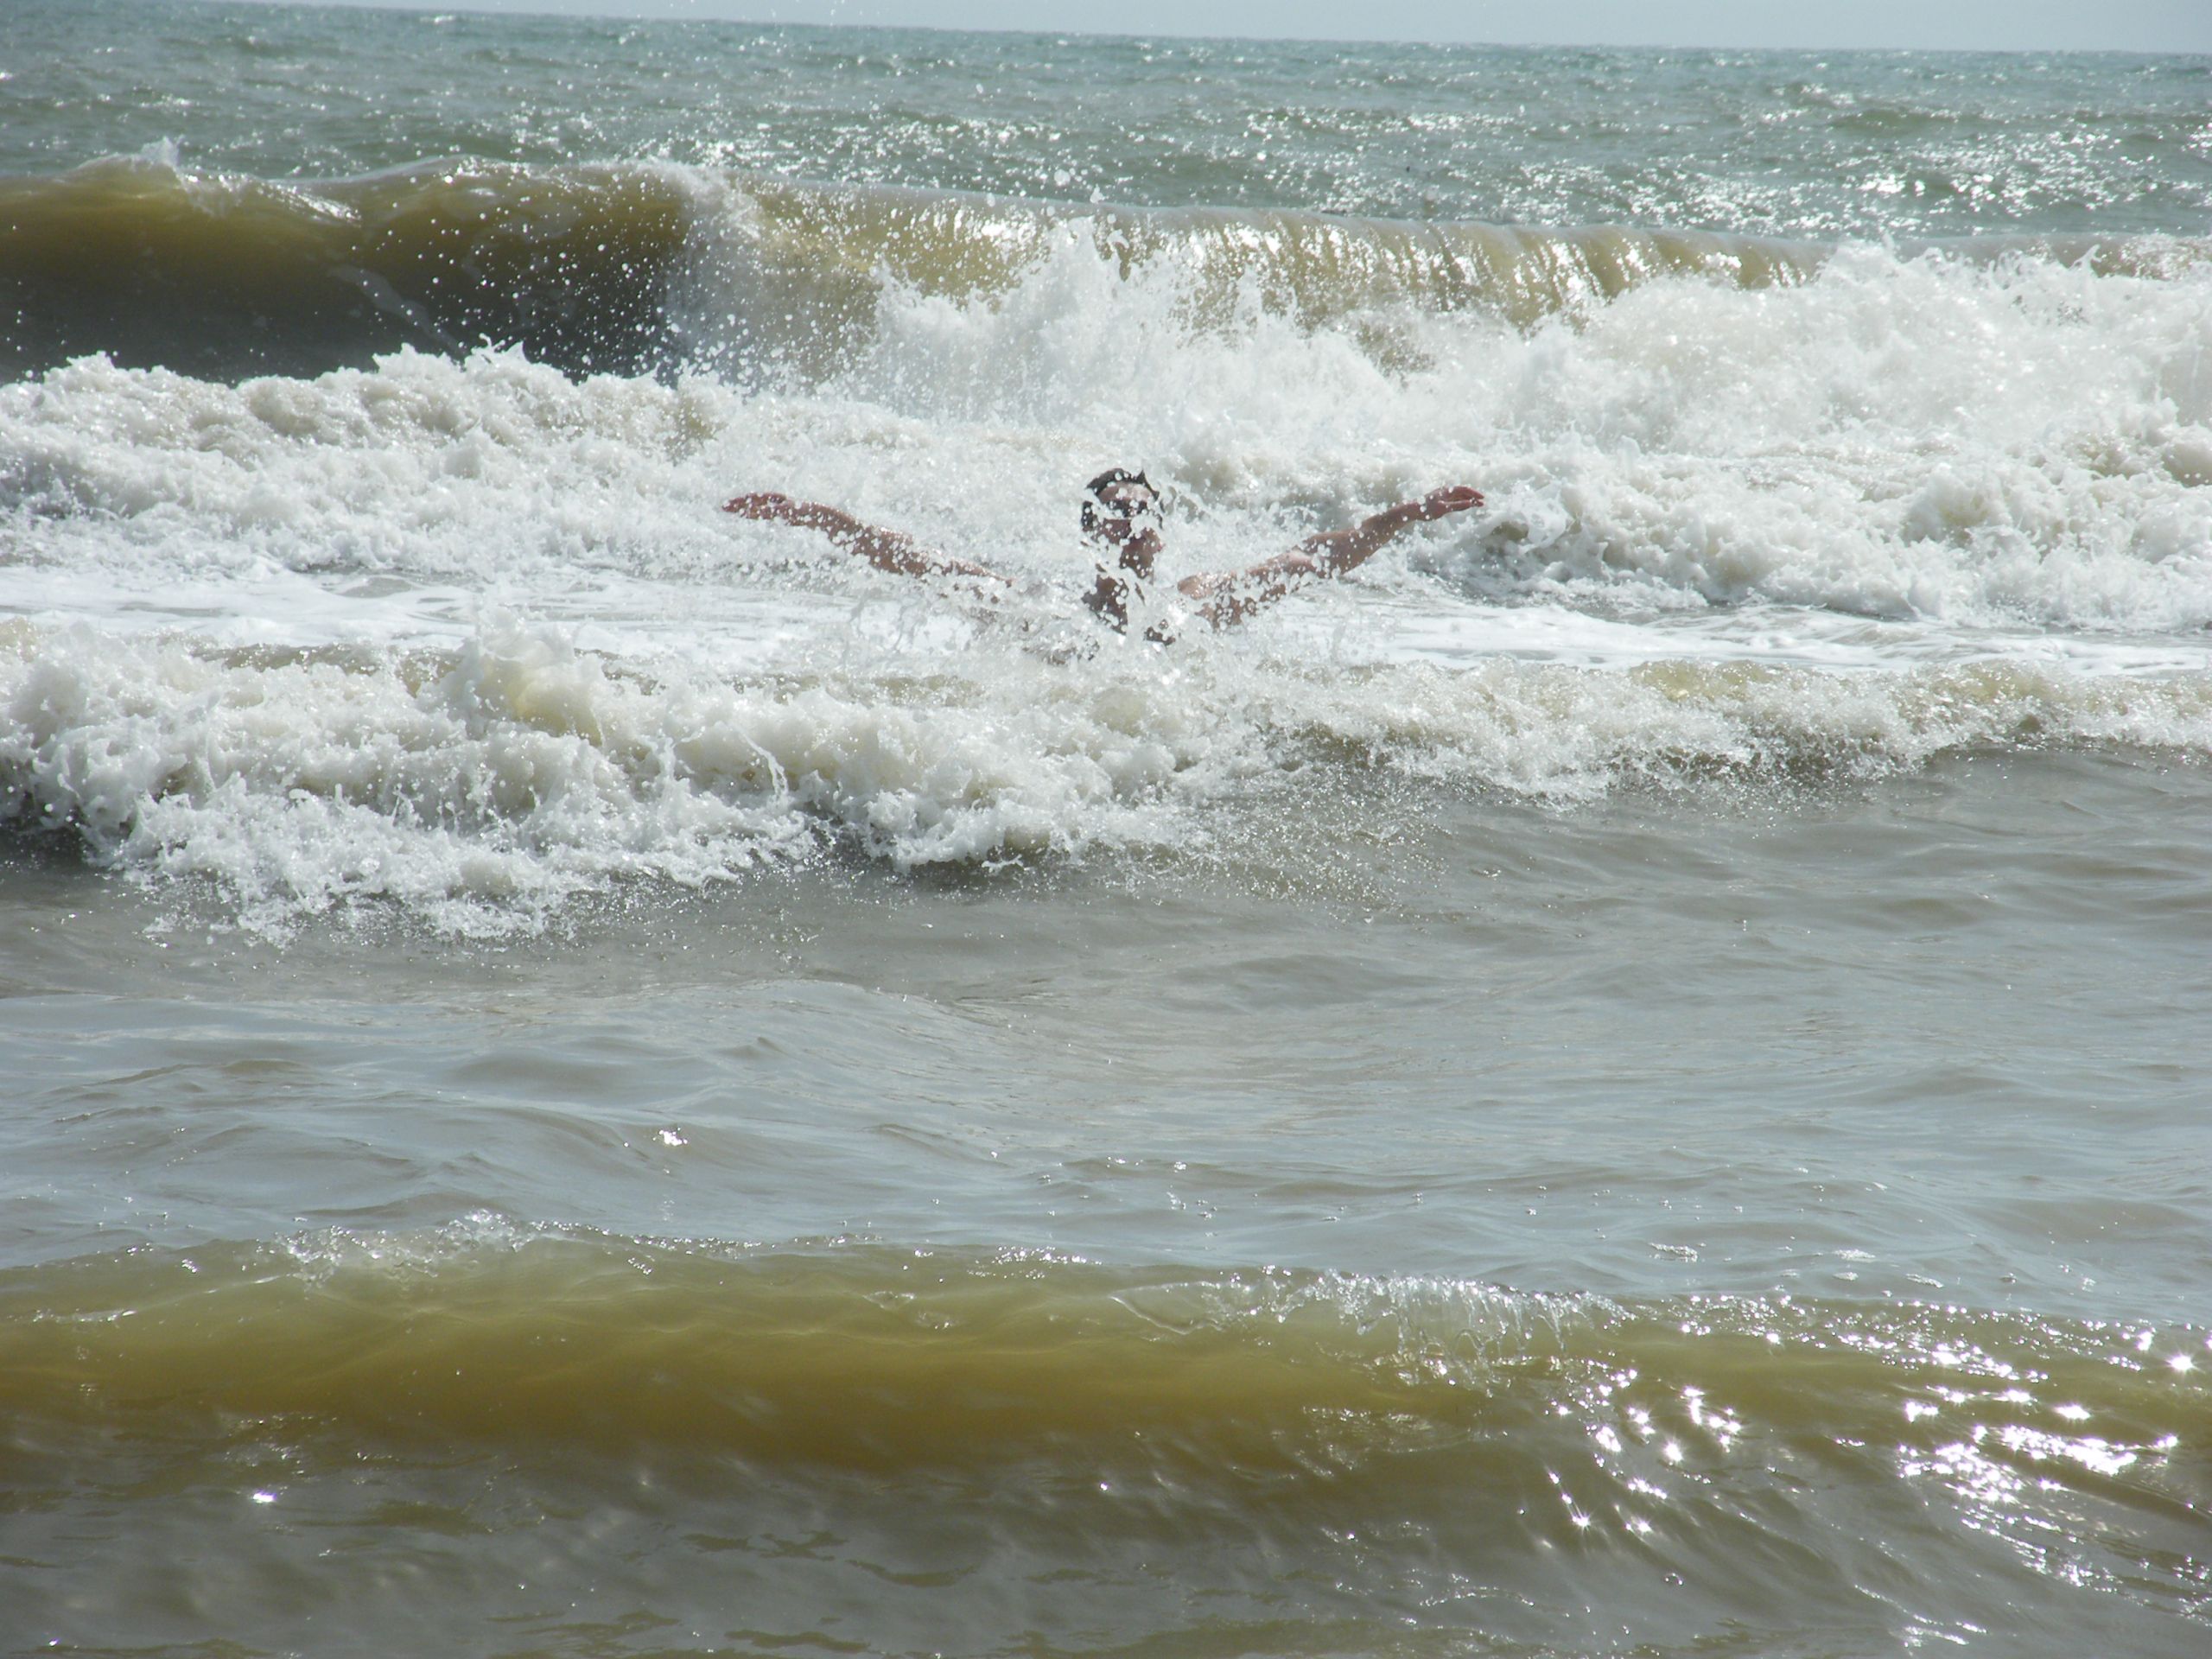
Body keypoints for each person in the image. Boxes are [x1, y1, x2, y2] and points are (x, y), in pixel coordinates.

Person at [721, 468, 1484, 638]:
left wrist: (1407, 514)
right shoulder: (1041, 612)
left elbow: (1315, 556)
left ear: (1162, 529)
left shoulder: (1194, 605)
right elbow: (914, 559)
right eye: (1115, 513)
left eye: (1143, 510)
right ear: (1091, 535)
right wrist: (815, 517)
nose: (1131, 522)